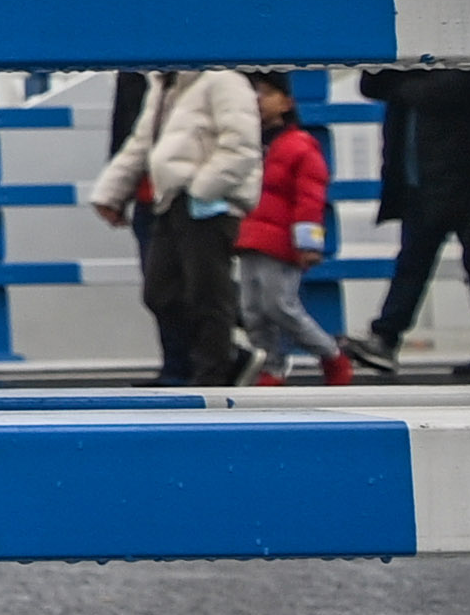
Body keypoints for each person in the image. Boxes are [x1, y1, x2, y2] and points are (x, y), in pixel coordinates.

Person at [87, 62, 260, 386]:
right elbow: (142, 141)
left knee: (207, 292)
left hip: (208, 204)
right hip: (171, 200)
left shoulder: (223, 80)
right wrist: (111, 191)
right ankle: (215, 360)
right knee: (161, 291)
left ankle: (213, 372)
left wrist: (201, 189)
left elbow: (241, 144)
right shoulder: (164, 84)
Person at [346, 65, 470, 381]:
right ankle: (387, 337)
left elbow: (438, 92)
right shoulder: (412, 71)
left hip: (462, 179)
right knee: (415, 262)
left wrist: (402, 77)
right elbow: (371, 83)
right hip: (418, 179)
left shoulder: (460, 64)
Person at [232, 79, 348, 388]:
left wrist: (308, 242)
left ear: (286, 103)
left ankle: (331, 354)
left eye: (267, 94)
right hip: (250, 237)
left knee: (280, 305)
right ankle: (271, 368)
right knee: (252, 310)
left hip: (281, 241)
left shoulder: (298, 144)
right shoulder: (248, 144)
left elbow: (310, 197)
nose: (258, 100)